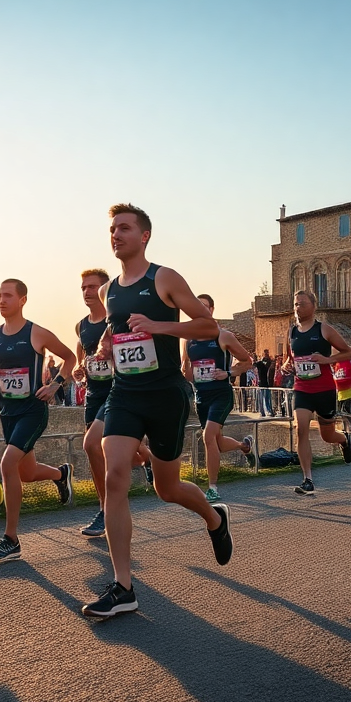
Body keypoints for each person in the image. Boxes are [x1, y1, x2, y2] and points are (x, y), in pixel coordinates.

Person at [80, 203, 232, 618]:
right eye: (112, 229)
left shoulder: (163, 277)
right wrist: (106, 345)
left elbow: (208, 327)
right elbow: (117, 327)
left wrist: (160, 326)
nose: (116, 235)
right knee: (114, 476)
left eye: (124, 228)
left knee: (167, 489)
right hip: (125, 392)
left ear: (144, 235)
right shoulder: (111, 289)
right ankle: (123, 587)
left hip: (166, 394)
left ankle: (214, 518)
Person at [0, 278, 77, 562]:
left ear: (22, 300)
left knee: (7, 463)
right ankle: (62, 475)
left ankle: (11, 539)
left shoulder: (37, 333)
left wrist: (56, 384)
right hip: (6, 411)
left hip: (33, 411)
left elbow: (69, 358)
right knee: (26, 472)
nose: (1, 300)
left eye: (8, 295)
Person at [72, 268, 152, 538]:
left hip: (117, 391)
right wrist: (79, 370)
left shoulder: (118, 319)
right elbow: (81, 355)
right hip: (94, 394)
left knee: (92, 444)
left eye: (92, 287)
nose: (87, 292)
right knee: (99, 453)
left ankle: (107, 511)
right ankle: (147, 459)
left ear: (104, 289)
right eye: (83, 287)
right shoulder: (81, 325)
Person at [184, 293, 255, 503]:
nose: (202, 310)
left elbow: (247, 361)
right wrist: (184, 369)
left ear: (211, 310)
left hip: (221, 394)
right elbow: (187, 373)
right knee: (217, 443)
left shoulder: (223, 336)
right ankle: (245, 446)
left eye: (205, 306)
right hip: (201, 397)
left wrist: (229, 373)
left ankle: (212, 487)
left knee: (208, 437)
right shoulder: (188, 341)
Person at [285, 291, 351, 494]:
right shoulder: (291, 332)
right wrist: (287, 366)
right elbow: (290, 359)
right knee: (301, 429)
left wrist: (326, 360)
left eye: (302, 304)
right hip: (302, 387)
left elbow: (349, 352)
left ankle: (344, 439)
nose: (298, 308)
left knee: (327, 435)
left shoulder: (324, 330)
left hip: (325, 389)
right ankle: (307, 479)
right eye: (295, 304)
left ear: (313, 306)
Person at [255, 349, 275, 417]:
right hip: (262, 383)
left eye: (267, 353)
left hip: (268, 383)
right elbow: (254, 364)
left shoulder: (270, 362)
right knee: (261, 398)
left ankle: (269, 411)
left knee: (267, 398)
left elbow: (269, 367)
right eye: (265, 353)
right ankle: (262, 412)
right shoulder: (260, 363)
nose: (266, 354)